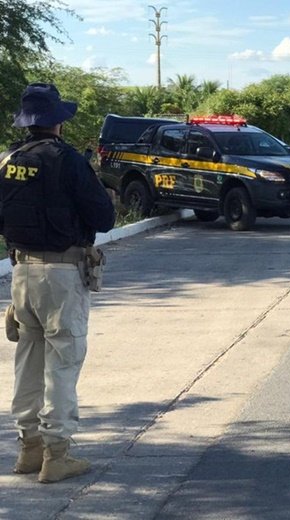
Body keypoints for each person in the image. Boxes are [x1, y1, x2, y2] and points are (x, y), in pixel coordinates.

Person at [0, 83, 115, 483]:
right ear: (58, 123)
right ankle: (56, 454)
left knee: (28, 361)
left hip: (21, 273)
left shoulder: (8, 160)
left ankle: (28, 449)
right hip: (62, 275)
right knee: (62, 363)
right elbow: (104, 218)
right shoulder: (67, 161)